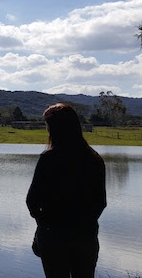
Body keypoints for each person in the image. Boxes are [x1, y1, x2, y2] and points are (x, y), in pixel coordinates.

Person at [27, 103, 106, 278]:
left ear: (54, 128)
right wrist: (85, 226)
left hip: (53, 237)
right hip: (86, 237)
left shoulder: (48, 158)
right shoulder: (94, 159)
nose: (47, 129)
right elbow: (100, 203)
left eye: (48, 125)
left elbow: (32, 202)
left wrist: (44, 224)